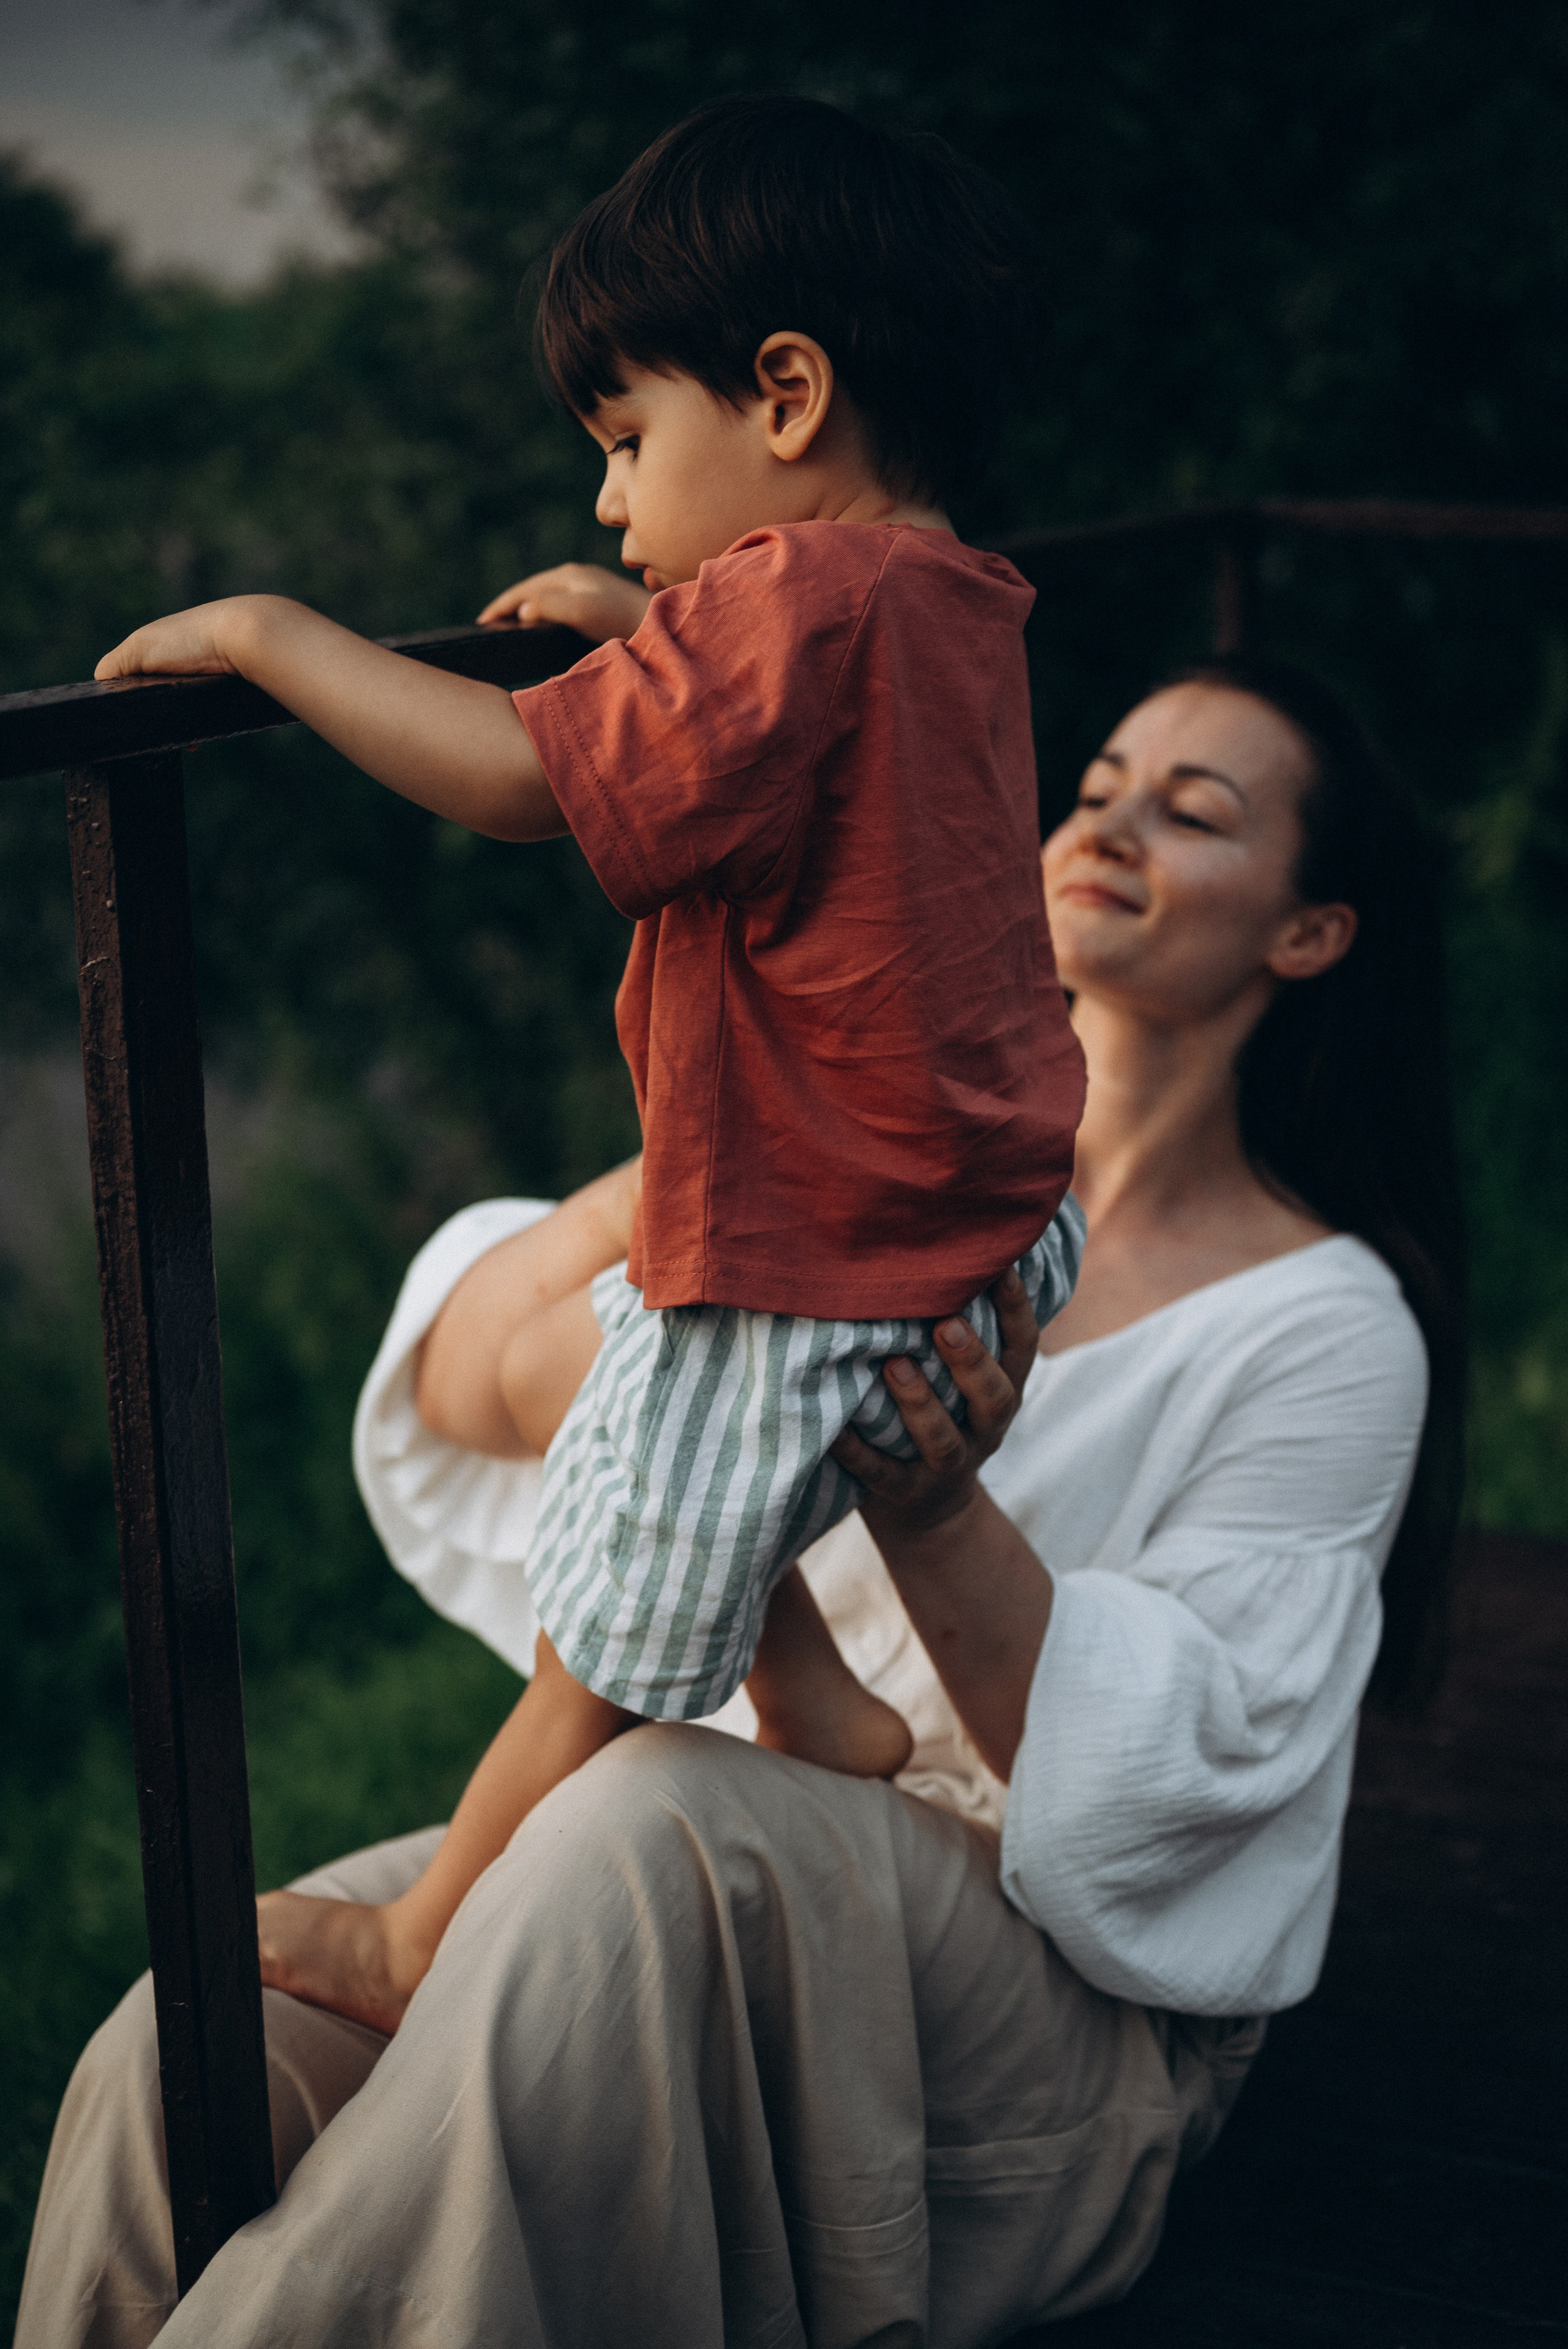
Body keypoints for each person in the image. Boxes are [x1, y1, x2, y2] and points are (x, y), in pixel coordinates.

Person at [14, 656, 1464, 2348]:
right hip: (707, 1841)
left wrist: (936, 1513)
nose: (1110, 826)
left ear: (1312, 933)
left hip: (1046, 1997)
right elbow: (472, 1380)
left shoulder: (1324, 1323)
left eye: (1194, 812)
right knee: (196, 2044)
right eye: (1095, 789)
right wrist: (740, 1188)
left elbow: (1167, 1803)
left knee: (645, 1820)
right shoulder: (874, 1152)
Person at [91, 95, 1087, 2035]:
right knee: (649, 1418)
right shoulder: (952, 595)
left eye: (629, 442)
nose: (616, 504)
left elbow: (513, 779)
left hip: (818, 1255)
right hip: (975, 1222)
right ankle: (809, 1691)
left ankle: (420, 1929)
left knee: (610, 1595)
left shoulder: (794, 603)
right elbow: (818, 771)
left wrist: (277, 636)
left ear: (786, 394)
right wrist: (648, 636)